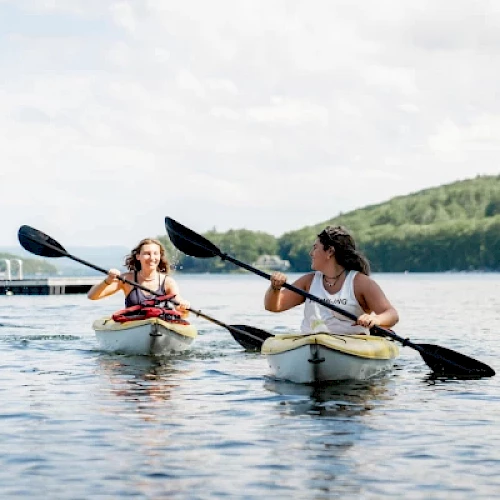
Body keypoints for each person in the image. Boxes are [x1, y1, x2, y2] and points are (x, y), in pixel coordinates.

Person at [264, 225, 398, 335]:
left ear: (330, 252)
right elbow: (274, 307)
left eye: (315, 248)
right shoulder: (308, 281)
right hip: (311, 343)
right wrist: (275, 288)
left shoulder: (360, 283)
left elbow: (391, 314)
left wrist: (375, 319)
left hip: (352, 346)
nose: (311, 253)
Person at [87, 237, 190, 315]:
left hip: (160, 324)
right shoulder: (127, 279)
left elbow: (178, 301)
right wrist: (108, 280)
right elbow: (92, 296)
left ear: (160, 256)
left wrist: (183, 305)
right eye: (147, 253)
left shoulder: (168, 282)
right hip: (134, 324)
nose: (152, 257)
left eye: (155, 253)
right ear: (138, 256)